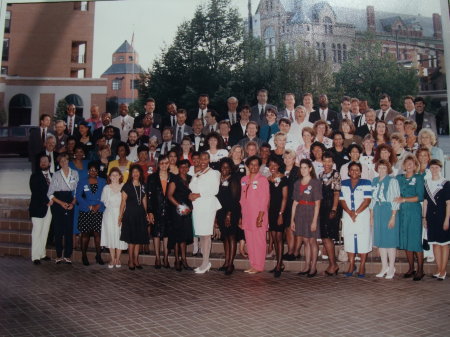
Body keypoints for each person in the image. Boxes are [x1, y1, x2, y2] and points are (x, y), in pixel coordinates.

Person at [189, 152, 221, 273]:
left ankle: (205, 263)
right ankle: (205, 262)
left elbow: (214, 190)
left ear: (209, 160)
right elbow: (191, 187)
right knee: (201, 234)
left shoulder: (214, 173)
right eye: (200, 159)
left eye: (205, 158)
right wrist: (190, 195)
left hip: (207, 206)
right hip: (197, 206)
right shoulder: (197, 173)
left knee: (206, 234)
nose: (202, 161)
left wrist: (198, 194)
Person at [340, 162, 372, 277]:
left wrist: (356, 213)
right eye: (352, 170)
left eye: (357, 170)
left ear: (360, 172)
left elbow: (367, 200)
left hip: (362, 215)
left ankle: (362, 265)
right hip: (348, 215)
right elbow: (342, 200)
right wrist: (350, 212)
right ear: (348, 172)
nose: (354, 172)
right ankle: (351, 264)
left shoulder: (366, 183)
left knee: (363, 238)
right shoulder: (343, 183)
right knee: (349, 238)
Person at [395, 155, 425, 281]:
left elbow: (420, 197)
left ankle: (420, 269)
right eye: (407, 163)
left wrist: (404, 199)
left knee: (415, 241)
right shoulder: (399, 178)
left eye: (412, 163)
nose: (409, 165)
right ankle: (411, 268)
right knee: (406, 240)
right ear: (404, 165)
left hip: (413, 211)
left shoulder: (419, 178)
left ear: (415, 165)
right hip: (402, 212)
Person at [290, 159, 322, 277]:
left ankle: (313, 266)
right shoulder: (297, 183)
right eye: (301, 167)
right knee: (305, 240)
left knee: (312, 240)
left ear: (310, 169)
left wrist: (314, 221)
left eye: (305, 167)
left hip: (311, 211)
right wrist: (292, 220)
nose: (303, 170)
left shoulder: (315, 183)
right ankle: (306, 265)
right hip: (300, 212)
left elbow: (318, 203)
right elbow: (294, 203)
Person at [370, 160, 400, 279]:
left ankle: (392, 267)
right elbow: (372, 200)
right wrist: (371, 216)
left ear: (388, 169)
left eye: (384, 168)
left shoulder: (392, 181)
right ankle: (384, 267)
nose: (382, 170)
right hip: (378, 211)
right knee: (381, 241)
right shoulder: (374, 181)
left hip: (389, 211)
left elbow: (395, 199)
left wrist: (393, 217)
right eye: (380, 167)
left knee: (390, 241)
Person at [240, 156, 270, 273]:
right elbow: (242, 198)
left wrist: (261, 216)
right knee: (250, 240)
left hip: (258, 215)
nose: (253, 167)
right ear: (247, 165)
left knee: (259, 240)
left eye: (256, 165)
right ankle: (253, 264)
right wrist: (241, 216)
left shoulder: (263, 180)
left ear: (259, 166)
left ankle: (259, 266)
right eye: (251, 164)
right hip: (247, 215)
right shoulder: (244, 179)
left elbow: (265, 199)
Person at [47, 153, 79, 264]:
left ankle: (67, 255)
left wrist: (73, 203)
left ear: (68, 160)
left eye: (65, 160)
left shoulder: (75, 173)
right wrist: (60, 203)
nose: (64, 163)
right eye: (61, 161)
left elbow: (76, 192)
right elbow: (50, 193)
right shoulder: (56, 175)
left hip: (70, 200)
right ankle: (59, 255)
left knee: (69, 230)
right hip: (58, 202)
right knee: (58, 230)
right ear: (59, 163)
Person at [423, 159, 450, 280]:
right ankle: (439, 269)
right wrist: (424, 217)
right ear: (429, 169)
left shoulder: (446, 183)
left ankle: (443, 271)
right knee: (435, 244)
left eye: (437, 167)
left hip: (442, 217)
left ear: (440, 168)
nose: (434, 170)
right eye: (432, 167)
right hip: (431, 218)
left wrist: (447, 220)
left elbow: (449, 203)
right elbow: (425, 202)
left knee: (444, 244)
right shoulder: (426, 183)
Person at [119, 165, 150, 270]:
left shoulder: (143, 185)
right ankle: (130, 260)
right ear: (131, 174)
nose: (135, 174)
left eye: (137, 172)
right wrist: (120, 216)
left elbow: (144, 200)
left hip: (140, 215)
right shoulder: (127, 186)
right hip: (130, 215)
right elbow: (123, 202)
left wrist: (146, 213)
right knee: (132, 240)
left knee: (138, 239)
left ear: (140, 173)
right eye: (133, 172)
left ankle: (136, 260)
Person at [75, 161, 106, 266]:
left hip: (98, 210)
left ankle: (98, 255)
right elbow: (78, 196)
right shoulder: (82, 181)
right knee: (85, 234)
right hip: (86, 210)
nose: (93, 172)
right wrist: (89, 206)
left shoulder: (103, 181)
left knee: (98, 234)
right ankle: (84, 255)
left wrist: (99, 205)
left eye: (95, 170)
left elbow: (105, 196)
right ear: (88, 171)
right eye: (91, 170)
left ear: (97, 171)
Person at [167, 159, 194, 271]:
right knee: (177, 237)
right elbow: (169, 195)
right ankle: (177, 260)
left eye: (186, 167)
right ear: (178, 168)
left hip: (187, 211)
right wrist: (180, 207)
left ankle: (184, 260)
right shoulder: (174, 179)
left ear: (188, 168)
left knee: (183, 237)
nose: (184, 169)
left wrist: (190, 208)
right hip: (177, 211)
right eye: (182, 167)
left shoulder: (190, 179)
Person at [216, 158, 241, 275]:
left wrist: (229, 214)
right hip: (221, 211)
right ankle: (226, 262)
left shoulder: (234, 179)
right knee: (225, 237)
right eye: (223, 167)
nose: (224, 169)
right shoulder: (219, 179)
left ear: (230, 168)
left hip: (231, 212)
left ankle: (231, 264)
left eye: (227, 167)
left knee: (231, 237)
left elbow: (235, 198)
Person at [319, 152, 341, 276]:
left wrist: (333, 209)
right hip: (322, 208)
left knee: (328, 236)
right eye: (325, 161)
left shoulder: (336, 174)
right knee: (324, 236)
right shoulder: (320, 175)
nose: (327, 164)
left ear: (332, 162)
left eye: (329, 161)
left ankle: (333, 265)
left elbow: (337, 193)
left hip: (331, 208)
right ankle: (333, 264)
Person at [147, 155, 171, 269]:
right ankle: (157, 257)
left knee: (166, 234)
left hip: (169, 209)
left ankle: (165, 257)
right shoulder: (152, 178)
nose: (164, 165)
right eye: (162, 163)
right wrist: (149, 211)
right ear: (158, 165)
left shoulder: (172, 177)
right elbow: (149, 196)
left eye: (166, 163)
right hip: (156, 209)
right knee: (156, 234)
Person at [101, 168, 128, 268]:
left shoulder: (124, 186)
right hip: (109, 215)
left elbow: (126, 202)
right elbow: (105, 202)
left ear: (120, 176)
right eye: (113, 175)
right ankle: (112, 259)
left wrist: (121, 215)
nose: (115, 177)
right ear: (109, 177)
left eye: (117, 175)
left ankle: (118, 259)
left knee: (120, 235)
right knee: (111, 235)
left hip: (121, 213)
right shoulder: (106, 188)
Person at [29, 154, 53, 265]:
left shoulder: (53, 176)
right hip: (38, 208)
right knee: (37, 232)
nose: (43, 162)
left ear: (49, 163)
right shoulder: (34, 176)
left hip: (49, 209)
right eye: (41, 161)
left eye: (45, 161)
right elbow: (36, 192)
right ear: (39, 164)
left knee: (45, 232)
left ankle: (42, 254)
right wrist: (47, 201)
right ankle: (35, 257)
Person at [267, 156, 288, 277]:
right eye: (270, 165)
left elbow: (284, 198)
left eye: (275, 165)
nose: (273, 167)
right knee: (274, 238)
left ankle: (279, 265)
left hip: (280, 211)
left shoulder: (284, 179)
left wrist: (281, 214)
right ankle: (279, 263)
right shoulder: (268, 179)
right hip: (271, 211)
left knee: (279, 238)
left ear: (279, 166)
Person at [282, 149, 299, 262]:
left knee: (295, 227)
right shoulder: (281, 170)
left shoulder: (298, 171)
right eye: (286, 158)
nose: (288, 160)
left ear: (294, 159)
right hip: (284, 203)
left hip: (296, 203)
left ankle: (295, 251)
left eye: (290, 158)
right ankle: (290, 250)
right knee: (288, 228)